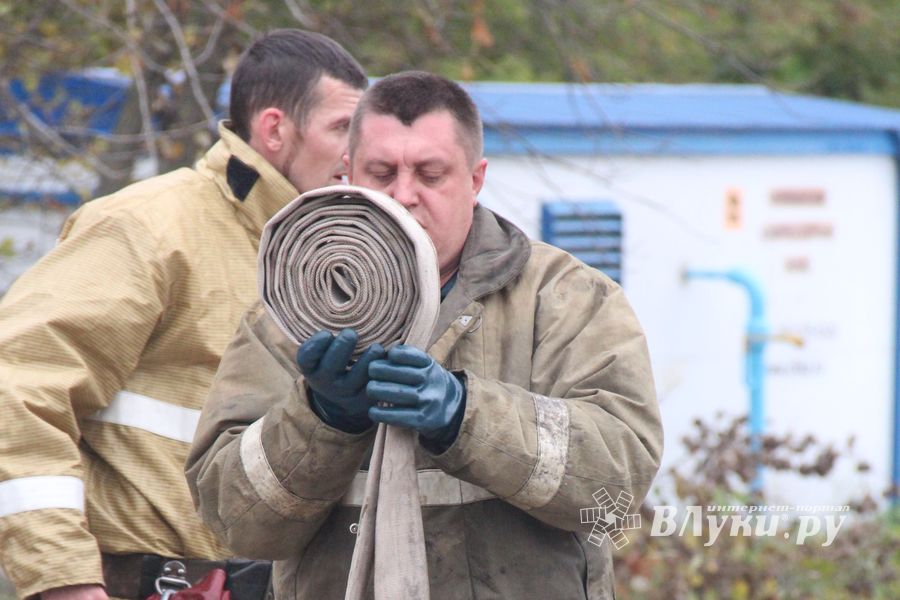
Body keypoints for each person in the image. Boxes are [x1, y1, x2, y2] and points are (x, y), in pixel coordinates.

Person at [186, 71, 663, 599]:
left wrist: (464, 414)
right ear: (347, 174)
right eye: (382, 172)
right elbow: (234, 523)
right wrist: (322, 419)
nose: (404, 195)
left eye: (430, 174)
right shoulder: (288, 314)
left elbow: (617, 487)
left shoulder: (567, 298)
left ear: (476, 179)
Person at [0, 30, 366, 600]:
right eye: (343, 128)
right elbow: (17, 392)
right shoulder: (147, 228)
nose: (357, 155)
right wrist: (64, 582)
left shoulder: (336, 260)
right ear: (274, 129)